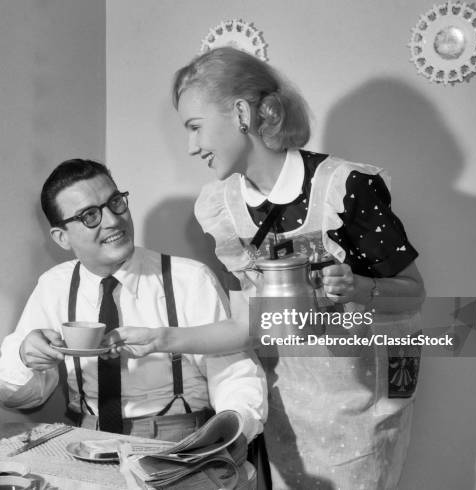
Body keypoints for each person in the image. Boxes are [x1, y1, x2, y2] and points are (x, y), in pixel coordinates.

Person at [108, 47, 426, 489]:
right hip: (287, 409)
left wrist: (357, 287)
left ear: (241, 112)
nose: (191, 146)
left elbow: (414, 292)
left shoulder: (344, 187)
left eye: (195, 127)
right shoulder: (224, 208)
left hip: (362, 407)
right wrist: (162, 338)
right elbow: (247, 326)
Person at [0, 158, 267, 446]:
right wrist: (25, 358)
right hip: (85, 442)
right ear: (62, 237)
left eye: (116, 202)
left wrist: (231, 434)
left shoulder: (190, 279)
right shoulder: (54, 286)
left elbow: (237, 375)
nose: (112, 220)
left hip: (177, 442)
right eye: (89, 216)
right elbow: (14, 397)